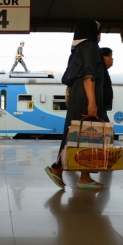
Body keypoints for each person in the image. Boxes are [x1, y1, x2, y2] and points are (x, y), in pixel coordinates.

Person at [45, 20, 106, 189]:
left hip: (79, 94)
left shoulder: (78, 49)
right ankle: (57, 168)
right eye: (98, 31)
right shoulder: (90, 47)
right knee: (81, 134)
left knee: (82, 135)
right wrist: (92, 101)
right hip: (85, 95)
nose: (100, 35)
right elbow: (89, 75)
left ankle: (83, 176)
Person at [101, 47, 114, 114]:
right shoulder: (100, 71)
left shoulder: (104, 70)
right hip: (100, 109)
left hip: (102, 108)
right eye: (110, 56)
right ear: (105, 58)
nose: (112, 59)